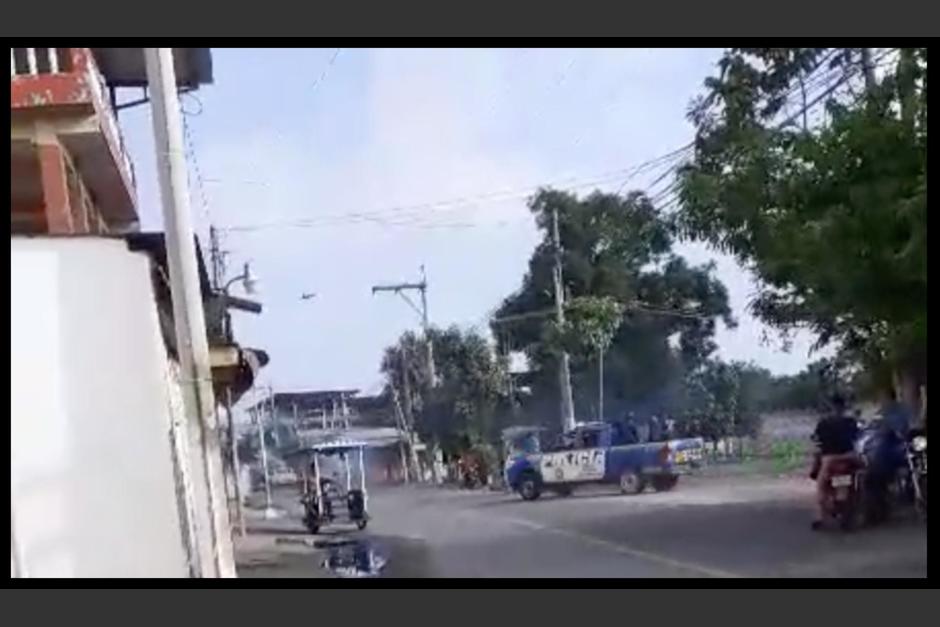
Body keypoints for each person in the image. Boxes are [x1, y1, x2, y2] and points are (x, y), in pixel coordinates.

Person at [809, 394, 860, 530]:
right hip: (848, 457)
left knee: (821, 485)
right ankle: (849, 507)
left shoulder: (823, 423)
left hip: (830, 459)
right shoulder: (850, 421)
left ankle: (821, 517)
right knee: (859, 475)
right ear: (844, 406)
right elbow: (857, 437)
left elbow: (817, 441)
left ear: (831, 406)